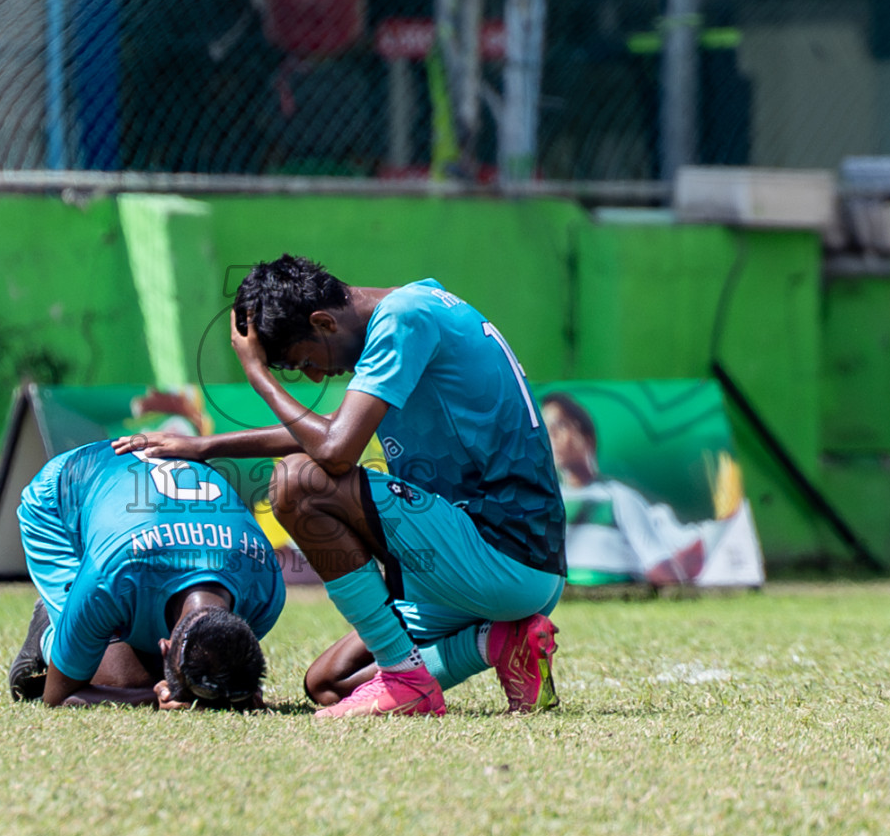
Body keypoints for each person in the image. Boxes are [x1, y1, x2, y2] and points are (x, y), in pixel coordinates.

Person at [115, 255, 566, 719]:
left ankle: (404, 679)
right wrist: (204, 446)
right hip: (499, 563)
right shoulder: (417, 304)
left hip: (501, 554)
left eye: (305, 360)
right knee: (329, 684)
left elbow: (333, 450)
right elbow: (331, 430)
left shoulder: (403, 319)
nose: (313, 375)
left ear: (324, 321)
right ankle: (498, 641)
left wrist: (258, 376)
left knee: (297, 481)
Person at [8, 440, 285, 710]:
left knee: (179, 668)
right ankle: (49, 631)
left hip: (133, 505)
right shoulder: (109, 580)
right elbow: (58, 696)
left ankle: (81, 625)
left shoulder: (267, 592)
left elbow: (218, 662)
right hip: (62, 495)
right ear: (164, 646)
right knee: (122, 679)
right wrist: (158, 696)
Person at [541, 391, 712, 586]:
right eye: (546, 429)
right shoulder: (545, 502)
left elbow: (661, 569)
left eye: (560, 425)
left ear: (586, 437)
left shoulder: (619, 498)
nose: (552, 436)